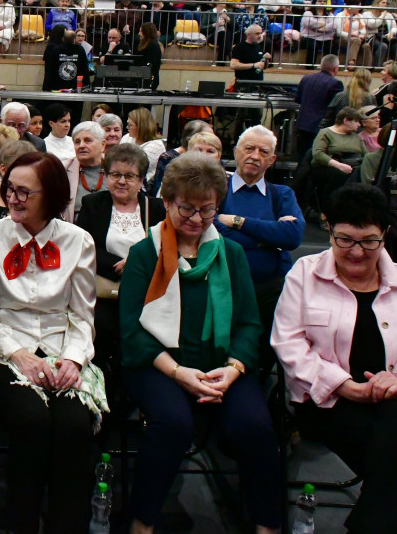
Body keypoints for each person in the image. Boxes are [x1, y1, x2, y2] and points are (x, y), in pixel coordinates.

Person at [118, 153, 279, 534]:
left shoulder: (231, 254)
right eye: (186, 209)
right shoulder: (144, 254)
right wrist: (179, 373)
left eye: (207, 211)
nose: (196, 220)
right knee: (172, 424)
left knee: (256, 426)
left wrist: (234, 369)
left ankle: (267, 525)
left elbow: (248, 324)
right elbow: (131, 331)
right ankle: (143, 521)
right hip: (159, 365)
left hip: (222, 367)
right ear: (168, 202)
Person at [272, 183, 397, 534]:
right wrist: (346, 386)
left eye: (369, 241)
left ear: (385, 235)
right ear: (329, 229)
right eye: (345, 240)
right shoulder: (304, 274)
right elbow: (288, 345)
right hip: (327, 402)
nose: (356, 252)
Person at [0, 152, 104, 534]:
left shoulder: (78, 241)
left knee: (75, 425)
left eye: (25, 192)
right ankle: (21, 524)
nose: (14, 198)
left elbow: (82, 315)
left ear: (53, 196)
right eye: (10, 189)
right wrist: (19, 355)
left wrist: (74, 360)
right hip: (0, 352)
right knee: (31, 420)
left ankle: (66, 525)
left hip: (62, 348)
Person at [214, 126, 304, 368]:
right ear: (236, 151)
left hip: (270, 290)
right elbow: (213, 234)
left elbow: (293, 236)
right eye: (249, 148)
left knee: (263, 355)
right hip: (221, 284)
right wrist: (269, 237)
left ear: (272, 160)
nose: (255, 155)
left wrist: (237, 222)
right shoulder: (217, 190)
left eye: (263, 152)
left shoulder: (282, 194)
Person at [76, 143, 166, 371]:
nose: (122, 181)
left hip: (146, 292)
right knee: (103, 333)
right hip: (105, 291)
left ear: (142, 179)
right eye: (115, 174)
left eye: (129, 176)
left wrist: (136, 262)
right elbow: (84, 246)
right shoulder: (93, 204)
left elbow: (164, 247)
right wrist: (117, 265)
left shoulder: (156, 208)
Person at [312, 107, 368, 213]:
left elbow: (367, 156)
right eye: (356, 121)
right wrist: (339, 165)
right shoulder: (326, 133)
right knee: (338, 176)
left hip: (353, 166)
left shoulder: (356, 137)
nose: (359, 125)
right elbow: (318, 154)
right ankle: (328, 212)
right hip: (328, 167)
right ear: (346, 120)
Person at [295, 54, 344, 155]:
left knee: (301, 157)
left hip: (302, 124)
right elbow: (335, 108)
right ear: (335, 68)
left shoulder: (306, 78)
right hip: (320, 127)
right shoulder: (336, 84)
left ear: (321, 66)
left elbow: (298, 99)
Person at [120, 108, 167, 181]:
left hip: (145, 186)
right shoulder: (127, 137)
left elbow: (135, 168)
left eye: (130, 125)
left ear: (141, 127)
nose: (127, 128)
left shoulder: (156, 146)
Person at [42, 25, 90, 91]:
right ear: (74, 39)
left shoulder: (55, 49)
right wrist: (87, 85)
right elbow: (85, 69)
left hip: (57, 87)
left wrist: (47, 87)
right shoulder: (80, 50)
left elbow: (50, 70)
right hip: (75, 87)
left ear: (63, 38)